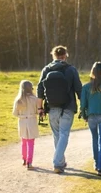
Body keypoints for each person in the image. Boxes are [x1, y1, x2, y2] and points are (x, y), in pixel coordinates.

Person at [37, 45, 83, 174]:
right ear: (65, 56)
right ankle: (57, 162)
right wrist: (84, 106)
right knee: (64, 134)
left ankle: (61, 162)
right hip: (67, 108)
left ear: (54, 56)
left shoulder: (46, 69)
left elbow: (39, 90)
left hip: (51, 108)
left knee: (57, 135)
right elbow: (79, 89)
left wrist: (40, 108)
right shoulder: (71, 70)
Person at [80, 61, 101, 177]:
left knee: (94, 139)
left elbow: (83, 105)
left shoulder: (85, 87)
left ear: (92, 72)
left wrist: (85, 116)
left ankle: (95, 162)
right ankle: (100, 167)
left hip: (91, 117)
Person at [12, 80, 39, 170]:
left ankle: (24, 159)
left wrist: (21, 115)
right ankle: (29, 162)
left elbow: (15, 113)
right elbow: (37, 111)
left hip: (22, 121)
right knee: (31, 143)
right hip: (31, 120)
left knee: (24, 141)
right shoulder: (35, 99)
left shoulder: (18, 100)